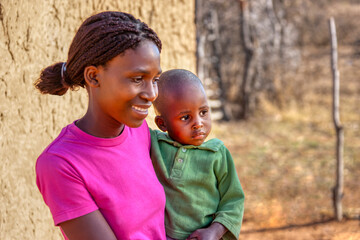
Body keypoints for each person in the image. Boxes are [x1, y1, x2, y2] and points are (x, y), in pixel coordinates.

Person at [34, 11, 166, 240]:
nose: (152, 94)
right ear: (93, 77)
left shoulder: (140, 132)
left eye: (154, 80)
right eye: (137, 79)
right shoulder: (61, 164)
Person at [150, 69, 245, 240]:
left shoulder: (217, 153)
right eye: (186, 117)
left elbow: (233, 201)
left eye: (203, 112)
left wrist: (214, 232)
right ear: (162, 123)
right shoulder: (154, 145)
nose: (198, 124)